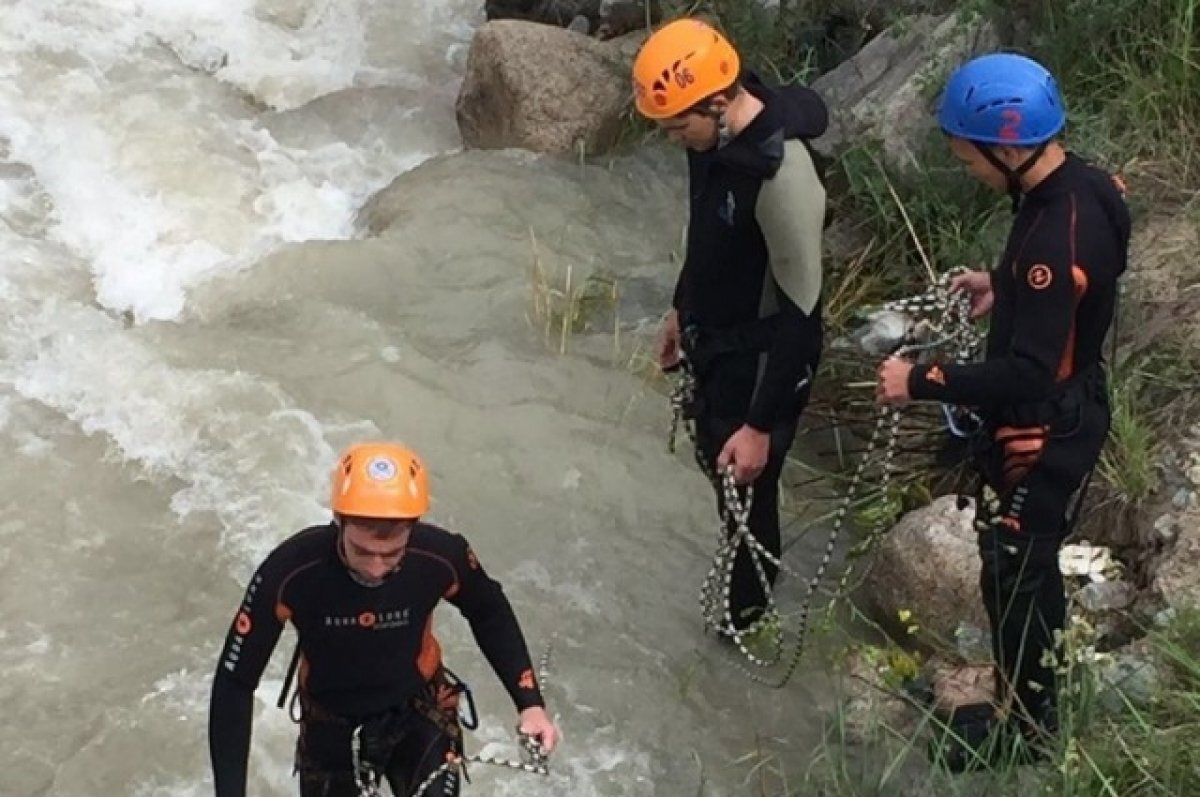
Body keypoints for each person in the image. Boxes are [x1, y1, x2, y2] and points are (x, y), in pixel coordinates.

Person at [876, 53, 1130, 769]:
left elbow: (1026, 369)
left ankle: (1027, 732)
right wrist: (1006, 286)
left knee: (1016, 573)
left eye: (970, 157)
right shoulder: (1088, 188)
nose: (968, 168)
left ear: (1010, 146)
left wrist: (919, 379)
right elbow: (1089, 278)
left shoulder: (1052, 237)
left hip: (1043, 428)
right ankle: (1033, 699)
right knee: (1022, 567)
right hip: (1070, 401)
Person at [208, 442, 559, 796]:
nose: (376, 568)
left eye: (391, 553)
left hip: (420, 713)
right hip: (331, 726)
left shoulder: (440, 556)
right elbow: (235, 682)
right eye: (362, 551)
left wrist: (530, 704)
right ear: (339, 521)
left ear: (413, 527)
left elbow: (488, 609)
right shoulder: (291, 572)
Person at [631, 18, 828, 635]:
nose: (673, 139)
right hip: (714, 343)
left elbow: (804, 316)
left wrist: (760, 427)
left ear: (717, 102)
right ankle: (742, 597)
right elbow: (706, 236)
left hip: (762, 364)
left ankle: (743, 626)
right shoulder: (709, 139)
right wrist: (679, 309)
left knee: (750, 494)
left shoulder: (782, 175)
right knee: (726, 489)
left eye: (677, 127)